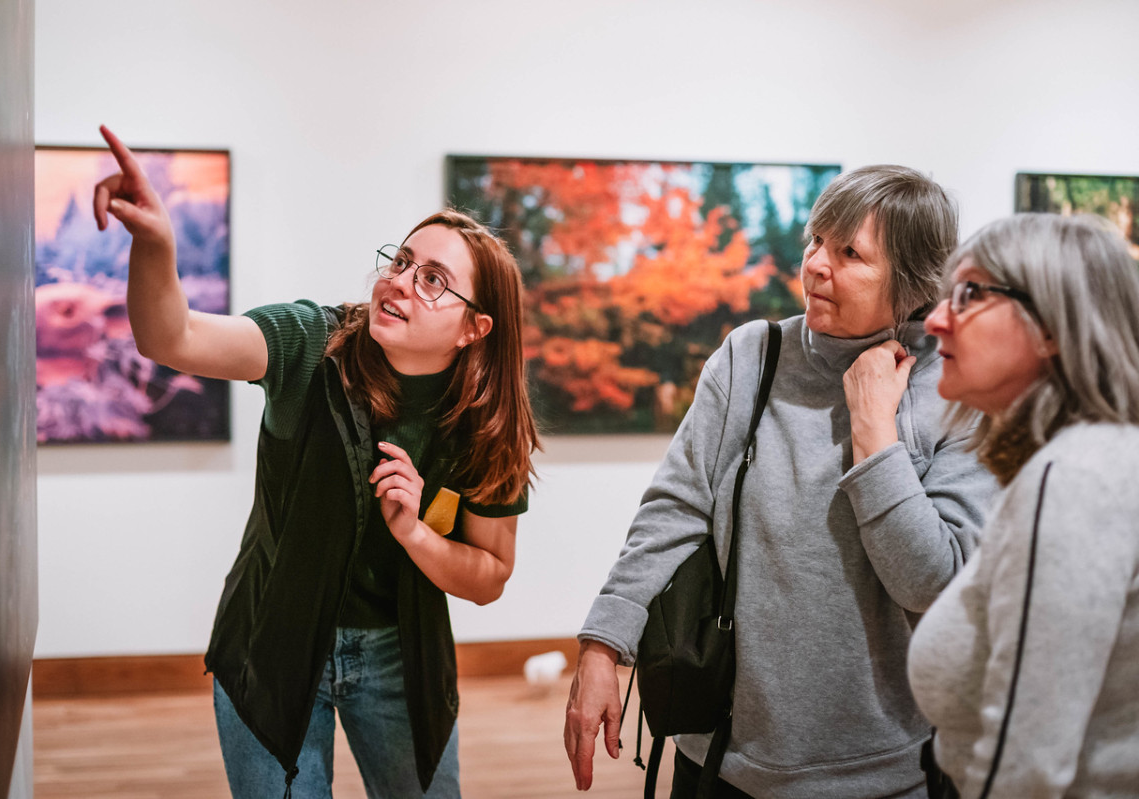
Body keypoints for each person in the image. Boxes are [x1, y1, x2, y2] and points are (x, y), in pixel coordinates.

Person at [92, 125, 538, 798]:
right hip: (273, 641)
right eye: (401, 262)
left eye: (433, 280)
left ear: (475, 328)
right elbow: (172, 336)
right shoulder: (308, 343)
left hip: (400, 656)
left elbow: (489, 576)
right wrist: (156, 242)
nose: (400, 282)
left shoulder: (488, 426)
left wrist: (416, 533)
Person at [564, 165, 999, 798]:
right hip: (719, 757)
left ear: (912, 282)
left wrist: (874, 431)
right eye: (816, 241)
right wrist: (604, 643)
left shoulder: (956, 390)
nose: (816, 264)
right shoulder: (750, 356)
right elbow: (675, 508)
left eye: (849, 253)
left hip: (883, 773)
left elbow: (933, 584)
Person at [908, 213, 1139, 797]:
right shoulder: (1093, 459)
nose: (935, 320)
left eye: (970, 294)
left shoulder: (1072, 479)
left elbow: (1026, 760)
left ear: (1054, 326)